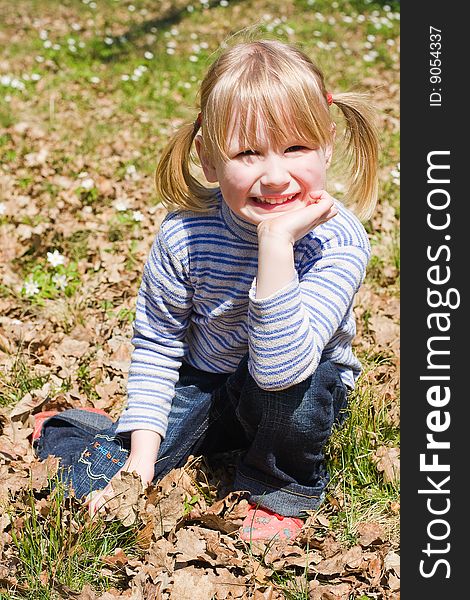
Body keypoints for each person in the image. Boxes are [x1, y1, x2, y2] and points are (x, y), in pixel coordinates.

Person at [35, 37, 379, 541]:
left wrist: (277, 242)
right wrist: (140, 463)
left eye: (296, 148)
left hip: (299, 392)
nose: (275, 176)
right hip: (208, 384)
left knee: (297, 390)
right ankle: (77, 429)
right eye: (247, 153)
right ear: (209, 160)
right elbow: (158, 344)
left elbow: (283, 369)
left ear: (327, 143)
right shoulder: (185, 236)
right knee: (95, 479)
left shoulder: (338, 240)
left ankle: (278, 486)